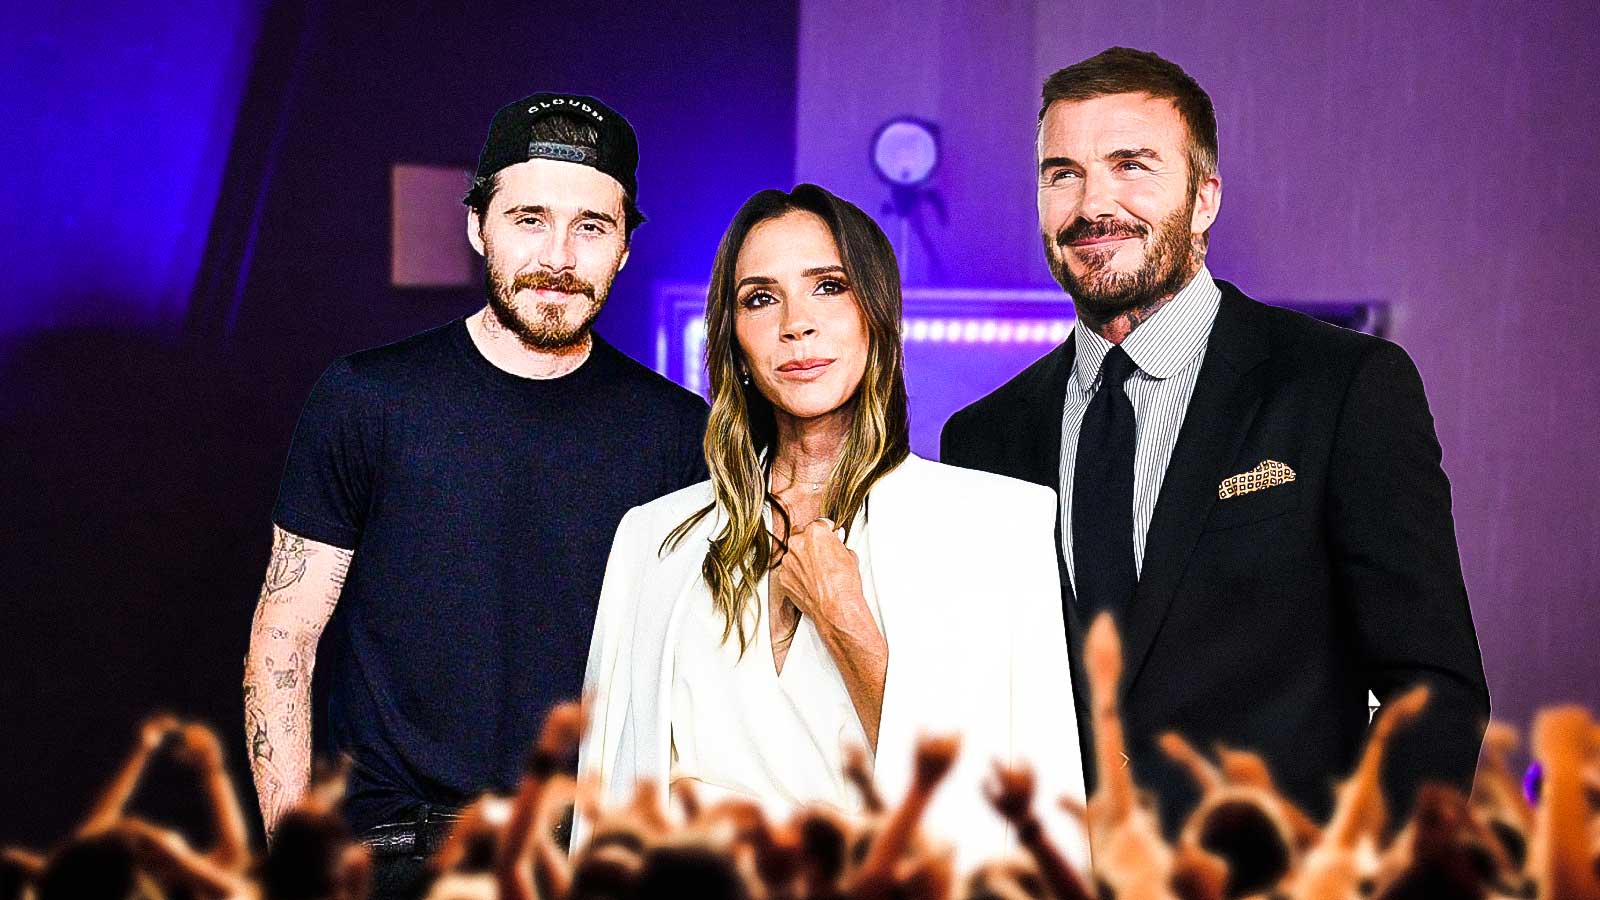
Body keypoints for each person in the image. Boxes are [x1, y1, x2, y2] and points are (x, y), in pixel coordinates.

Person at [940, 47, 1489, 834]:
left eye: (1132, 166)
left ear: (1204, 199)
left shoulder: (1341, 387)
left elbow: (1433, 691)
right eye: (1062, 173)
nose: (1094, 203)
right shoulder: (984, 438)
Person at [244, 92, 709, 898]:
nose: (558, 255)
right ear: (476, 225)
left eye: (592, 227)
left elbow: (698, 676)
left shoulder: (677, 432)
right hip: (392, 861)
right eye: (529, 217)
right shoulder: (367, 399)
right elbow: (285, 639)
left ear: (626, 247)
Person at [576, 184, 1089, 868]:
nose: (797, 323)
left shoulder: (1000, 528)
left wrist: (847, 622)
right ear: (734, 340)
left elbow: (1024, 830)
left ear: (877, 313)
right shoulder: (653, 541)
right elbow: (610, 826)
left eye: (828, 286)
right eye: (761, 297)